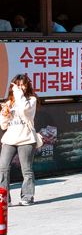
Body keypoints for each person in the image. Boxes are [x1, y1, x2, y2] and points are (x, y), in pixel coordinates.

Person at [0, 74, 38, 205]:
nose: (21, 87)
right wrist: (5, 114)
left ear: (27, 86)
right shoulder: (9, 103)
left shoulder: (31, 100)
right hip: (9, 139)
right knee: (3, 168)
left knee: (26, 169)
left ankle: (27, 197)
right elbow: (3, 125)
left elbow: (24, 110)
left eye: (23, 84)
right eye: (18, 85)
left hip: (26, 139)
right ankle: (4, 198)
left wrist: (18, 94)